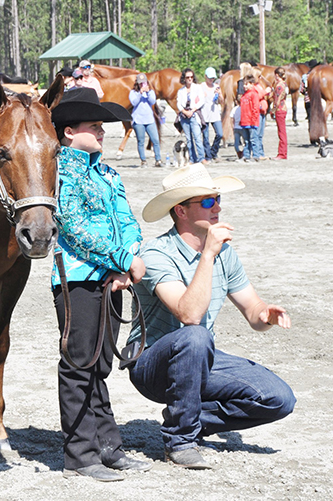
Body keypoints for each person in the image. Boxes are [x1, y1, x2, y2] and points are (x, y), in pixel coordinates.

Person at [124, 163, 296, 470]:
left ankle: (187, 415)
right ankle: (180, 440)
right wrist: (208, 255)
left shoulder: (223, 253)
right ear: (181, 211)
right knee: (196, 335)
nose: (217, 207)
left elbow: (253, 312)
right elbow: (189, 314)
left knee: (278, 398)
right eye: (206, 201)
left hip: (198, 359)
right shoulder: (156, 253)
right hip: (151, 363)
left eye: (217, 199)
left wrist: (267, 314)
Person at [50, 88, 152, 482]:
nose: (103, 131)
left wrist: (126, 261)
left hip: (111, 279)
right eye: (95, 126)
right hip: (76, 277)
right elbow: (73, 228)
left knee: (100, 364)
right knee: (79, 363)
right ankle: (79, 454)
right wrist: (124, 260)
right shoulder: (60, 172)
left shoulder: (109, 174)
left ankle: (107, 446)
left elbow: (127, 220)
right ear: (70, 131)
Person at [129, 73, 162, 168]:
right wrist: (140, 93)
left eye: (143, 83)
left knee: (155, 139)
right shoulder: (133, 93)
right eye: (140, 83)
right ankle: (143, 160)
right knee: (141, 141)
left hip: (149, 119)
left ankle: (158, 159)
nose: (142, 85)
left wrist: (147, 92)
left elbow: (152, 101)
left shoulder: (151, 92)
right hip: (138, 120)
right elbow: (134, 102)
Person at [177, 68, 206, 164]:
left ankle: (202, 158)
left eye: (191, 77)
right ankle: (192, 158)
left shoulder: (197, 88)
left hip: (194, 115)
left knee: (197, 138)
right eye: (187, 77)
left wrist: (193, 110)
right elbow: (179, 103)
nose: (190, 79)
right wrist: (184, 112)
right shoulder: (181, 91)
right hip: (184, 116)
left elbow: (202, 100)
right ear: (184, 78)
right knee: (189, 140)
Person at [201, 67, 224, 162]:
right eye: (210, 78)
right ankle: (208, 156)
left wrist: (219, 94)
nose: (211, 80)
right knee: (205, 136)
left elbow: (221, 102)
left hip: (214, 113)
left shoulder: (216, 86)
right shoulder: (201, 86)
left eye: (213, 78)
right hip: (204, 114)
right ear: (205, 76)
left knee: (220, 134)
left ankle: (213, 152)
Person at [239, 75, 261, 162]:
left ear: (252, 84)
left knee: (253, 139)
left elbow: (255, 109)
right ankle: (246, 155)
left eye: (246, 84)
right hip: (245, 122)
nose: (244, 86)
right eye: (244, 84)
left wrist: (253, 120)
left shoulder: (254, 94)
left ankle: (256, 156)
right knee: (246, 140)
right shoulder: (244, 95)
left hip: (251, 122)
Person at [251, 66, 271, 160]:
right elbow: (255, 97)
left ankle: (261, 152)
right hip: (257, 111)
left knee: (260, 134)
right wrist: (265, 92)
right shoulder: (253, 87)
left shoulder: (259, 85)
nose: (260, 78)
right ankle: (258, 153)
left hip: (262, 111)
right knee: (257, 134)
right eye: (259, 76)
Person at [271, 67, 288, 160]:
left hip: (280, 110)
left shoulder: (279, 86)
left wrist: (272, 110)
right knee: (282, 132)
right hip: (283, 108)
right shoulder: (284, 84)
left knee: (281, 133)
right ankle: (283, 153)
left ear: (277, 75)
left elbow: (277, 101)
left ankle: (282, 153)